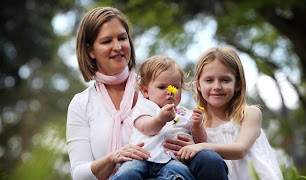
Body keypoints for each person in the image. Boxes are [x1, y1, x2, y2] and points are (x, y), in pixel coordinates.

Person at [66, 6, 227, 180]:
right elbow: (79, 174)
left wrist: (194, 145)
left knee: (208, 159)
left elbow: (185, 124)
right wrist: (112, 158)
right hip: (128, 174)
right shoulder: (82, 103)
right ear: (90, 51)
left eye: (122, 38)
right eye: (106, 41)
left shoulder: (158, 85)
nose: (118, 46)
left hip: (173, 169)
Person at [177, 46, 283, 180]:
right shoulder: (195, 124)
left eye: (225, 80)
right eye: (209, 80)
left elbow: (240, 149)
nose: (217, 86)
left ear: (237, 84)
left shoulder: (249, 114)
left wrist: (201, 146)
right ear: (198, 85)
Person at [112, 55, 199, 180]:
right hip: (141, 157)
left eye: (175, 87)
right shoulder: (144, 107)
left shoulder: (185, 113)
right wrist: (160, 119)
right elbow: (147, 127)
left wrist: (197, 126)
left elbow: (200, 142)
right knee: (127, 173)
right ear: (145, 91)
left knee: (182, 172)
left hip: (171, 160)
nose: (170, 92)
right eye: (162, 87)